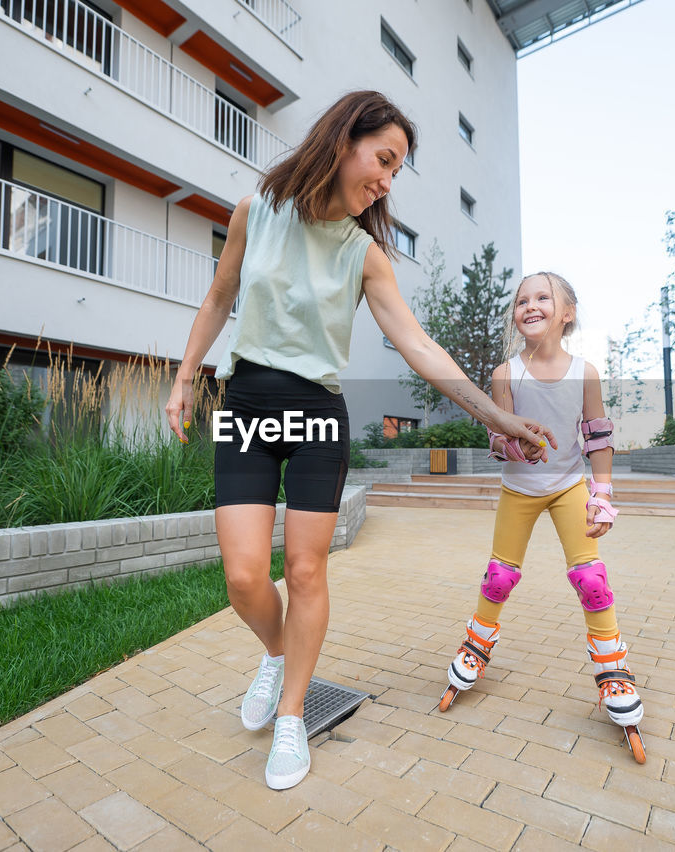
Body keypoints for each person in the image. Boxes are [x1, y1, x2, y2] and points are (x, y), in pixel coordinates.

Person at [163, 91, 553, 790]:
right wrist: (185, 376)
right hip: (247, 403)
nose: (387, 179)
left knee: (306, 572)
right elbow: (220, 296)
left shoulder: (367, 255)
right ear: (344, 141)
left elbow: (420, 348)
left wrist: (499, 419)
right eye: (384, 158)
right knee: (246, 578)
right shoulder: (257, 210)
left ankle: (290, 717)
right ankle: (280, 655)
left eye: (397, 168)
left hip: (316, 413)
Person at [436, 271, 646, 762]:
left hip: (569, 485)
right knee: (499, 577)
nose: (529, 306)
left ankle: (613, 672)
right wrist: (509, 441)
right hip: (520, 488)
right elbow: (495, 434)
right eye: (521, 300)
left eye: (542, 298)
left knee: (592, 579)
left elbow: (596, 435)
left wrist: (602, 494)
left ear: (566, 313)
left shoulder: (585, 372)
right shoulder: (506, 374)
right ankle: (475, 645)